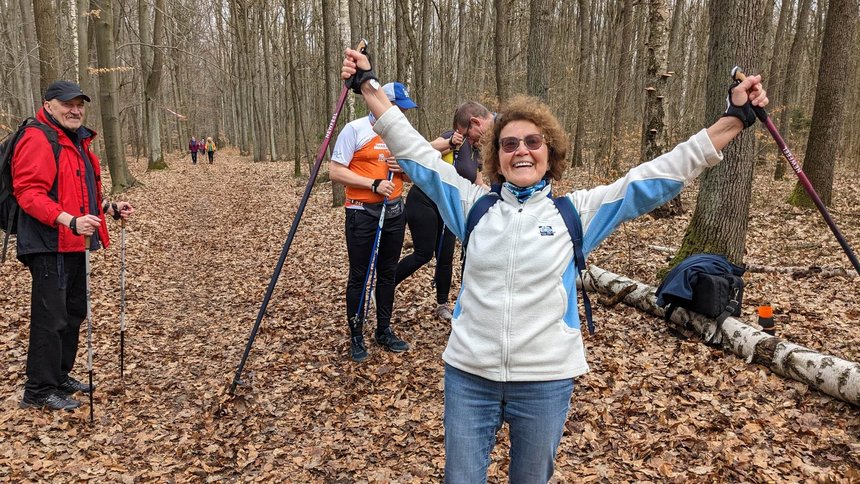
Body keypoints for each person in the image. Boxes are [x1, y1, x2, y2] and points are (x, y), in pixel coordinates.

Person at [342, 49, 768, 480]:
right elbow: (415, 151)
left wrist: (734, 119)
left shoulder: (576, 214)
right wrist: (367, 85)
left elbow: (659, 175)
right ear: (497, 157)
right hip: (470, 377)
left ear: (550, 151)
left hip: (544, 381)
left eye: (532, 142)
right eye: (509, 144)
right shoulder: (471, 206)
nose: (521, 151)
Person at [11, 80, 135, 411]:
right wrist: (69, 220)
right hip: (48, 241)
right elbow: (28, 194)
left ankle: (59, 376)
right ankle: (38, 390)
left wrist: (108, 208)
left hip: (74, 241)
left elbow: (78, 192)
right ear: (49, 104)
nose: (75, 110)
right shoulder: (37, 138)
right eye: (67, 104)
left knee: (73, 312)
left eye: (79, 104)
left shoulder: (75, 142)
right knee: (50, 318)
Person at [328, 81, 418, 362]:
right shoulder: (355, 129)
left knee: (388, 273)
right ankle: (356, 335)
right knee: (360, 274)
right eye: (397, 107)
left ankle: (383, 329)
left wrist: (404, 168)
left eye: (404, 109)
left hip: (394, 212)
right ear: (380, 102)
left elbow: (417, 176)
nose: (402, 114)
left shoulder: (404, 135)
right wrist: (372, 183)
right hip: (361, 212)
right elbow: (335, 171)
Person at [395, 104, 488, 321]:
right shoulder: (455, 138)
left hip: (451, 207)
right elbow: (425, 150)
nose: (478, 138)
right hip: (424, 202)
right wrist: (448, 143)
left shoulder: (476, 151)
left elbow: (477, 181)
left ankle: (442, 304)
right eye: (476, 133)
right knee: (424, 253)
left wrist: (496, 195)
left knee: (446, 258)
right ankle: (386, 283)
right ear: (470, 125)